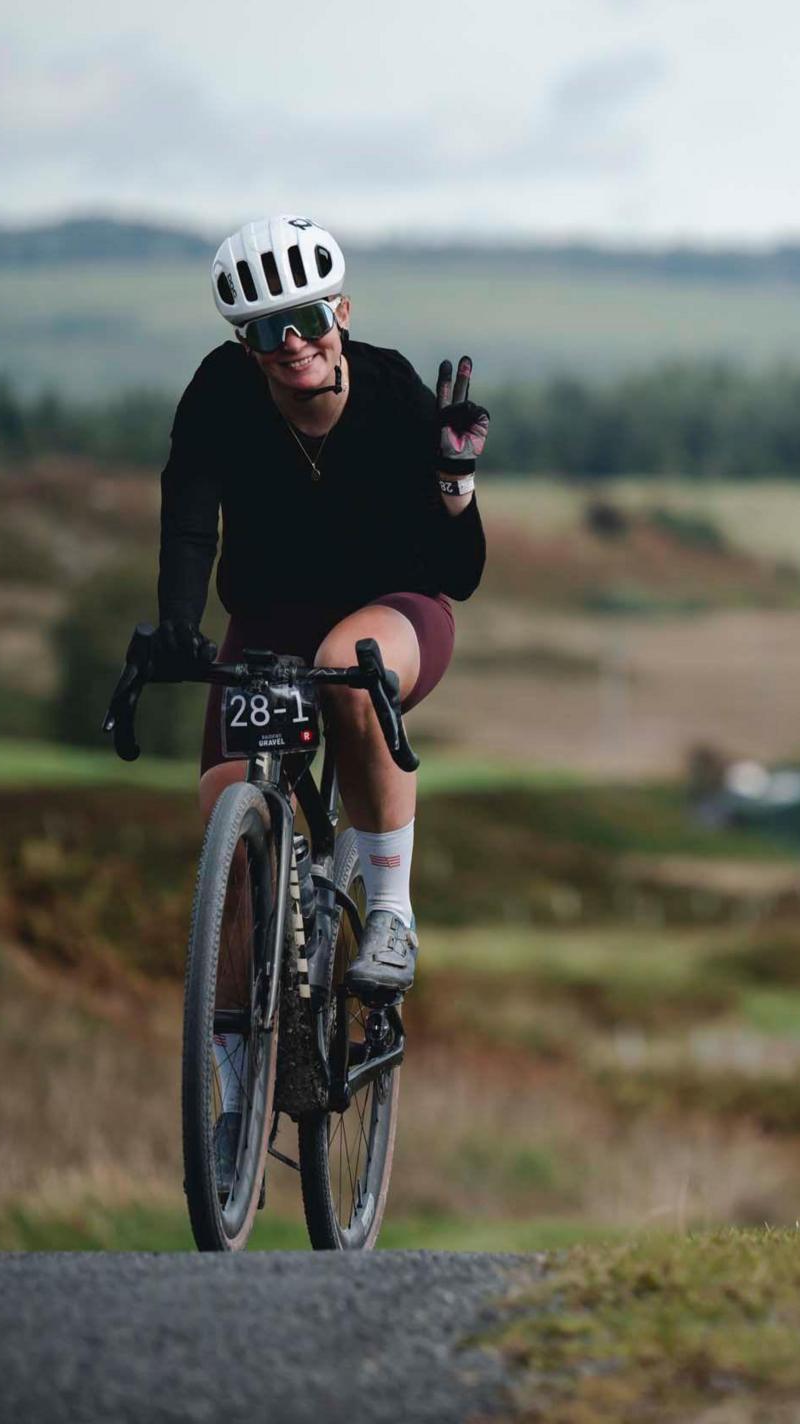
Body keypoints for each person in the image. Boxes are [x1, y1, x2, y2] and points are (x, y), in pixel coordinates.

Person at [152, 216, 488, 1172]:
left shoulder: (387, 389)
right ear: (242, 345)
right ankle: (227, 1095)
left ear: (339, 313)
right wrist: (179, 625)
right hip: (268, 619)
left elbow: (458, 574)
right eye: (265, 330)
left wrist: (456, 486)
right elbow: (188, 519)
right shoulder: (219, 395)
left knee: (352, 667)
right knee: (227, 824)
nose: (290, 343)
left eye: (304, 318)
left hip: (396, 608)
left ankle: (388, 910)